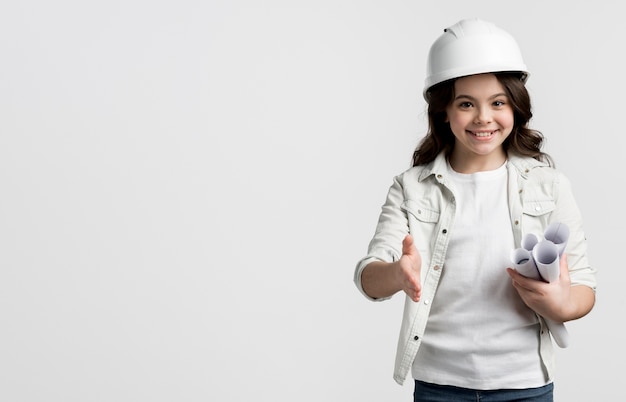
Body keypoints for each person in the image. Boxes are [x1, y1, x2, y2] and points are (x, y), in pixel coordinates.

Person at [353, 18, 597, 402]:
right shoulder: (412, 188)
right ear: (443, 113)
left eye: (497, 102)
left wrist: (562, 303)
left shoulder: (548, 186)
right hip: (439, 386)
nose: (484, 117)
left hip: (524, 386)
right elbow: (368, 277)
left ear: (515, 106)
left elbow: (583, 286)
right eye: (466, 104)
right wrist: (398, 275)